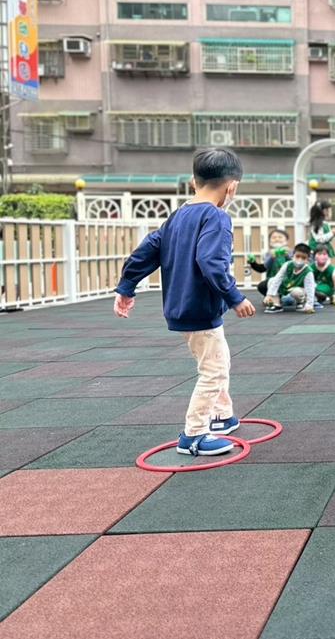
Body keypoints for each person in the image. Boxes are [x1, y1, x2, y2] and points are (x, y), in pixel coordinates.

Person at [114, 148, 256, 458]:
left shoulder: (177, 216)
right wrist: (235, 297)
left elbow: (147, 250)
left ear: (194, 182)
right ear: (232, 187)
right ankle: (194, 434)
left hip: (180, 307)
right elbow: (211, 262)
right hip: (200, 309)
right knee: (214, 370)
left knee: (216, 361)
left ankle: (222, 416)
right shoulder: (217, 217)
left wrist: (126, 287)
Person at [264, 242, 317, 313]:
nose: (300, 260)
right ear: (293, 255)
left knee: (296, 292)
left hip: (300, 290)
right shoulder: (287, 265)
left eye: (303, 258)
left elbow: (310, 289)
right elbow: (277, 279)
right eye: (297, 256)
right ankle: (276, 304)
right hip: (287, 286)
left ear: (307, 259)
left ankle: (301, 302)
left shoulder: (308, 272)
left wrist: (310, 304)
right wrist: (269, 295)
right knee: (272, 281)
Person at [249, 228, 291, 297]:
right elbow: (263, 268)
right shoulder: (269, 254)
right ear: (269, 242)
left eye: (280, 237)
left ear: (286, 241)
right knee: (262, 286)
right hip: (272, 280)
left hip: (288, 281)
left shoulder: (290, 252)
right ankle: (271, 297)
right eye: (274, 237)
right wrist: (253, 263)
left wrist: (287, 255)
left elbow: (294, 265)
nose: (277, 239)